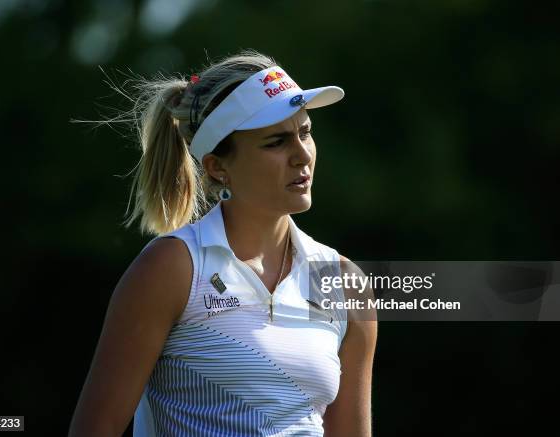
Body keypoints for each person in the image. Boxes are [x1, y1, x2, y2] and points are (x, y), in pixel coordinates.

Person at [68, 49, 377, 437]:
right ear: (217, 166)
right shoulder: (172, 267)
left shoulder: (345, 282)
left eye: (305, 132)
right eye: (276, 142)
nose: (302, 155)